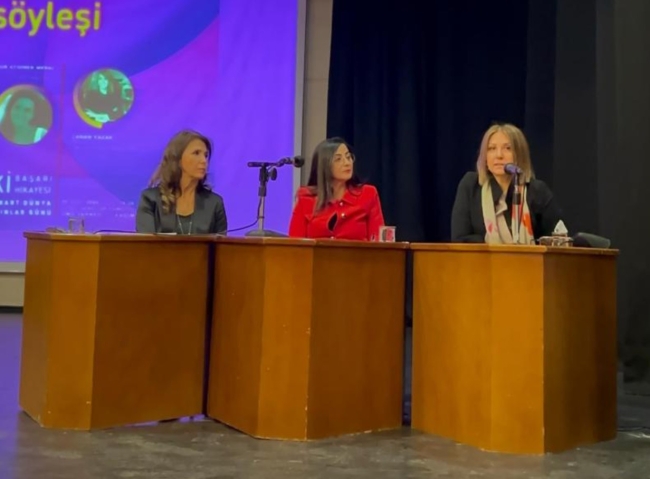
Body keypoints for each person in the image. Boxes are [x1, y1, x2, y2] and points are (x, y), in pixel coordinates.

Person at [451, 123, 565, 244]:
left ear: (520, 155)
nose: (499, 155)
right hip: (480, 257)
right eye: (491, 148)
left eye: (507, 148)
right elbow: (460, 239)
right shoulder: (471, 186)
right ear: (485, 157)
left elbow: (559, 239)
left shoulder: (537, 191)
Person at [288, 137, 385, 240]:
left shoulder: (368, 194)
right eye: (338, 159)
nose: (347, 163)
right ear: (324, 165)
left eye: (348, 157)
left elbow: (378, 242)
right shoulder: (306, 198)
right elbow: (295, 244)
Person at [136, 130, 228, 235]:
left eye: (206, 155)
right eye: (196, 153)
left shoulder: (214, 203)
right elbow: (146, 243)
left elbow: (221, 243)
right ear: (178, 159)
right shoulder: (150, 200)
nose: (204, 160)